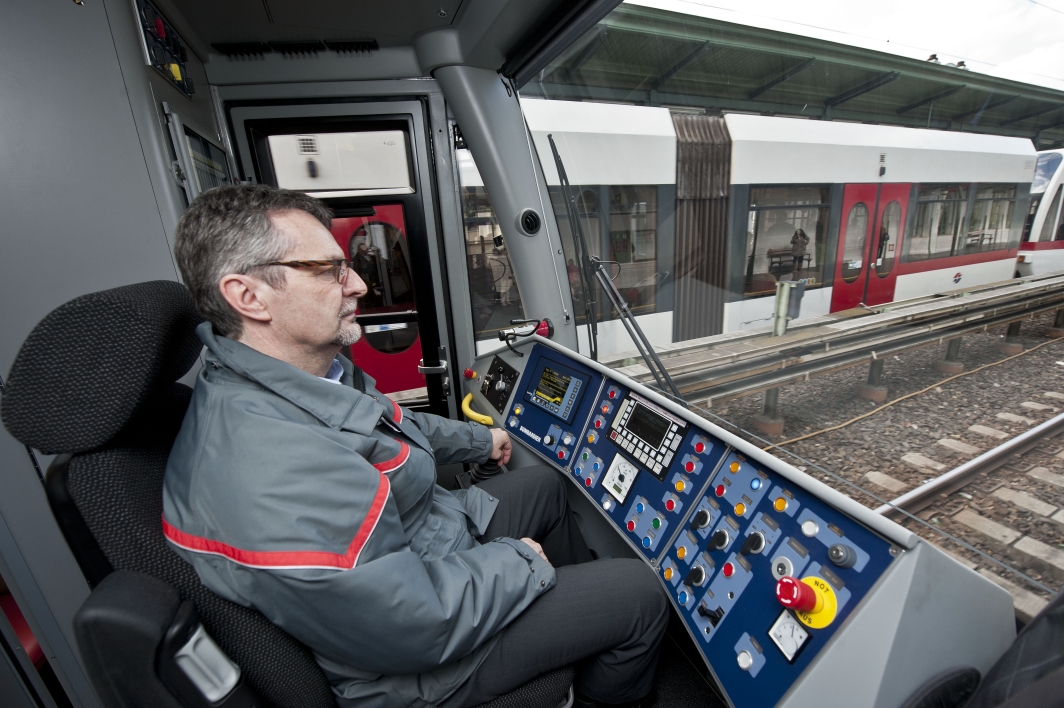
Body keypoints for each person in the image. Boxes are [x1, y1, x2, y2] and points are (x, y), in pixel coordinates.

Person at [163, 185, 667, 708]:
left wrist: (481, 440)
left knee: (542, 485)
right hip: (415, 665)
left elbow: (396, 426)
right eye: (329, 269)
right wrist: (521, 563)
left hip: (427, 546)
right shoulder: (271, 466)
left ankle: (574, 638)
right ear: (249, 296)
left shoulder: (307, 379)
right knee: (639, 594)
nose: (357, 283)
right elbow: (411, 624)